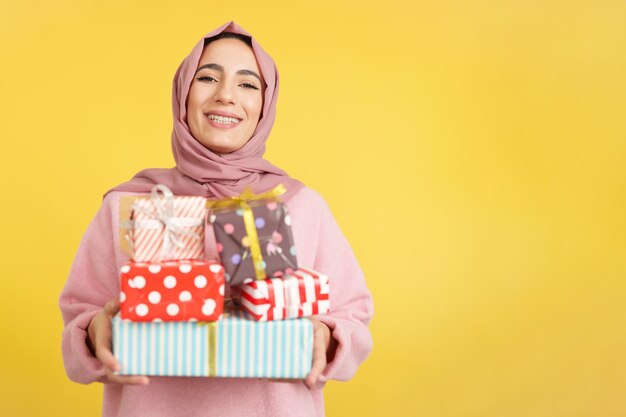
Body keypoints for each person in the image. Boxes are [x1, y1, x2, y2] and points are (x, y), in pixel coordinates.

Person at [59, 21, 373, 417]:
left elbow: (354, 317)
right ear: (182, 93)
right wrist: (93, 335)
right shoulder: (130, 204)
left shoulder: (299, 204)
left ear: (266, 103)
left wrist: (326, 336)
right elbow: (80, 314)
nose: (226, 96)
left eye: (247, 84)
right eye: (207, 77)